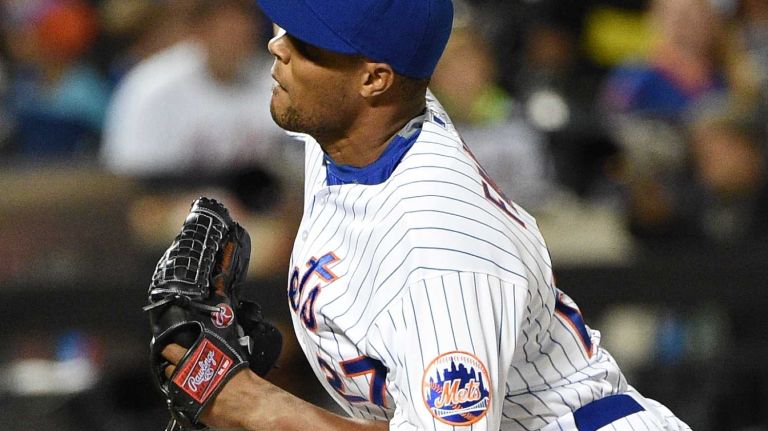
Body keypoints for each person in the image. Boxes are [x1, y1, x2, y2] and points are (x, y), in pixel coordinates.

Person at [159, 0, 693, 430]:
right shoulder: (354, 126)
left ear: (375, 80)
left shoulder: (439, 251)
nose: (277, 46)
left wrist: (253, 404)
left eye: (305, 42)